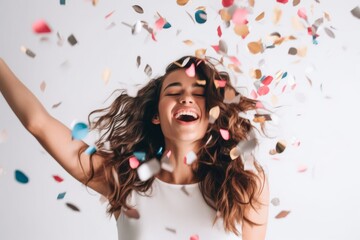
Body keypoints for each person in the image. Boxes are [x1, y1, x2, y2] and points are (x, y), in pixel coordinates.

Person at [0, 55, 269, 240]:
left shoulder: (244, 183)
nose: (186, 97)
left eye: (198, 94)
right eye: (174, 92)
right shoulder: (126, 179)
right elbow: (38, 124)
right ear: (156, 114)